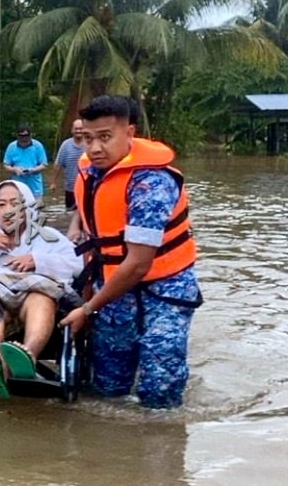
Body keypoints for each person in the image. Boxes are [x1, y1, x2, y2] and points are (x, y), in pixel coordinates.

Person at [61, 95, 202, 409]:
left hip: (165, 290)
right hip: (113, 288)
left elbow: (138, 264)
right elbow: (95, 248)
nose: (95, 148)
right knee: (109, 388)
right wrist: (86, 300)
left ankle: (160, 449)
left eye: (105, 137)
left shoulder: (151, 184)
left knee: (158, 387)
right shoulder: (90, 175)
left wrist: (86, 310)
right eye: (87, 138)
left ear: (130, 133)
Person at [0, 180, 82, 398]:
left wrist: (37, 260)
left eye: (15, 203)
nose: (8, 211)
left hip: (33, 303)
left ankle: (27, 356)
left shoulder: (48, 236)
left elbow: (78, 265)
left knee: (42, 294)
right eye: (0, 205)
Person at [2, 124, 48, 202]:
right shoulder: (11, 147)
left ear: (31, 136)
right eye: (21, 137)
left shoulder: (38, 146)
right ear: (17, 136)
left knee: (36, 210)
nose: (24, 139)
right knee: (19, 210)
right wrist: (15, 169)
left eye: (26, 136)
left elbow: (44, 164)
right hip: (18, 185)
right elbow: (6, 165)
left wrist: (33, 170)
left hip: (35, 186)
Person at [49, 118, 86, 211]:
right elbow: (58, 164)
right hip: (70, 188)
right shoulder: (66, 145)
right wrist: (53, 182)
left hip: (87, 187)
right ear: (72, 130)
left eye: (81, 128)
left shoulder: (90, 143)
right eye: (76, 129)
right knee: (70, 214)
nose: (78, 131)